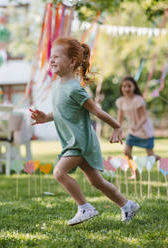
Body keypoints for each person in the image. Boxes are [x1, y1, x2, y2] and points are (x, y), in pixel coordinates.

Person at [30, 37, 139, 226]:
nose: (52, 61)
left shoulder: (75, 89)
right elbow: (61, 111)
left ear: (72, 62)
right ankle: (127, 205)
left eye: (57, 57)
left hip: (79, 142)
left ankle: (85, 208)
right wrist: (45, 117)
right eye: (51, 57)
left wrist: (117, 126)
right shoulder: (57, 85)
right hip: (75, 141)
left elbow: (97, 111)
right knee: (97, 182)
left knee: (59, 172)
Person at [116, 76, 164, 179]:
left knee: (151, 156)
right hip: (133, 131)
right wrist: (117, 130)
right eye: (124, 86)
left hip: (144, 130)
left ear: (134, 87)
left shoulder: (138, 100)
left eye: (129, 86)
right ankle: (135, 173)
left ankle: (164, 164)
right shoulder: (121, 101)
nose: (126, 88)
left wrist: (137, 126)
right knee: (126, 152)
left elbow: (144, 117)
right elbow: (119, 119)